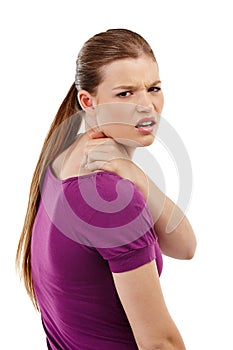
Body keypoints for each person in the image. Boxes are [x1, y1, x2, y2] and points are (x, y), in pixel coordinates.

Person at [16, 28, 196, 350]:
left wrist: (137, 176)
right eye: (125, 93)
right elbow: (160, 343)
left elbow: (186, 247)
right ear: (88, 101)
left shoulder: (64, 157)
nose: (147, 106)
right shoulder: (108, 197)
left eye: (153, 88)